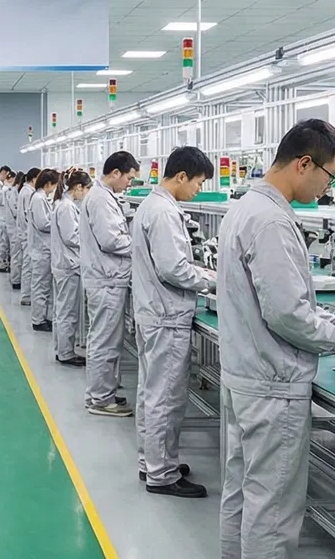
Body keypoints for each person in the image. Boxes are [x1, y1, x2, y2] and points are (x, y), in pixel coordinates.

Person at [217, 120, 335, 559]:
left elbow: (290, 298)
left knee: (245, 492)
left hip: (247, 374)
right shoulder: (271, 222)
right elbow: (286, 312)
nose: (329, 188)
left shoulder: (247, 207)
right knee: (274, 506)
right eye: (329, 175)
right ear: (304, 163)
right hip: (273, 380)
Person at [130, 147, 218, 498]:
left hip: (155, 312)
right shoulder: (164, 213)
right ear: (181, 176)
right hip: (165, 316)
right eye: (197, 182)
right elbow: (174, 268)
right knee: (164, 396)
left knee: (151, 392)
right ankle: (161, 474)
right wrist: (211, 280)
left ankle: (151, 461)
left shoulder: (153, 206)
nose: (198, 189)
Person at [81, 152, 139, 417]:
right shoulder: (101, 199)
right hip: (106, 281)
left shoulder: (104, 197)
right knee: (104, 341)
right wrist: (142, 245)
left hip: (107, 279)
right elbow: (111, 241)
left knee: (104, 339)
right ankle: (101, 400)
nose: (129, 183)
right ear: (115, 173)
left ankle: (100, 393)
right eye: (129, 177)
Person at [52, 169, 91, 367]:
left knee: (62, 310)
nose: (86, 195)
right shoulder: (67, 207)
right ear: (78, 188)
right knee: (68, 311)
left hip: (63, 264)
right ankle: (66, 353)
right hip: (68, 265)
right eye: (86, 190)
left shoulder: (63, 204)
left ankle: (62, 350)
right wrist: (90, 239)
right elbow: (71, 237)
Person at [26, 168, 60, 332]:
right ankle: (38, 320)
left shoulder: (40, 197)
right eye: (54, 184)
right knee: (40, 286)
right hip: (41, 249)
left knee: (44, 286)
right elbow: (43, 224)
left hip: (43, 248)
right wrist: (59, 222)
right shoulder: (39, 199)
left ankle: (42, 317)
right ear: (48, 183)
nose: (55, 188)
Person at [12, 169, 38, 292]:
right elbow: (29, 214)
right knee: (28, 265)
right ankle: (26, 295)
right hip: (27, 232)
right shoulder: (28, 193)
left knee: (24, 261)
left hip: (23, 231)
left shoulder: (25, 190)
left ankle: (25, 291)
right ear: (33, 178)